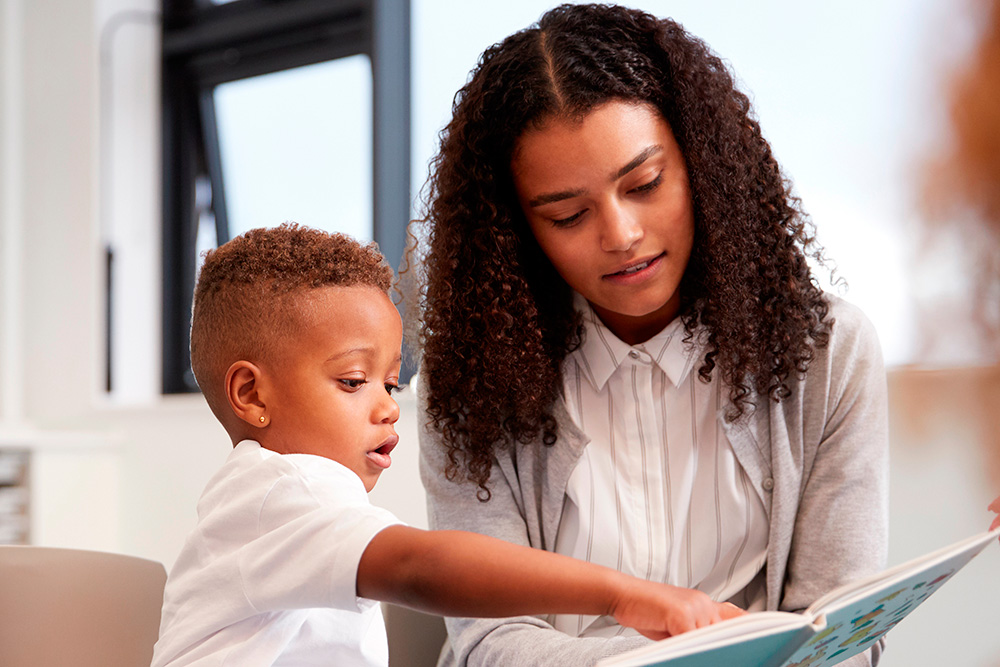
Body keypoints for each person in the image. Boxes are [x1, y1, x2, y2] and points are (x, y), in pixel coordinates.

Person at [409, 4, 888, 666]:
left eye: (644, 183)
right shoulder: (472, 383)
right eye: (569, 215)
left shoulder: (829, 354)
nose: (621, 235)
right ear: (517, 233)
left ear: (701, 162)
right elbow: (490, 640)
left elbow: (843, 628)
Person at [150, 223, 740, 667]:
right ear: (251, 393)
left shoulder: (280, 503)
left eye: (389, 383)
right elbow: (420, 565)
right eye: (353, 382)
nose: (386, 406)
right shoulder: (282, 490)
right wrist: (621, 593)